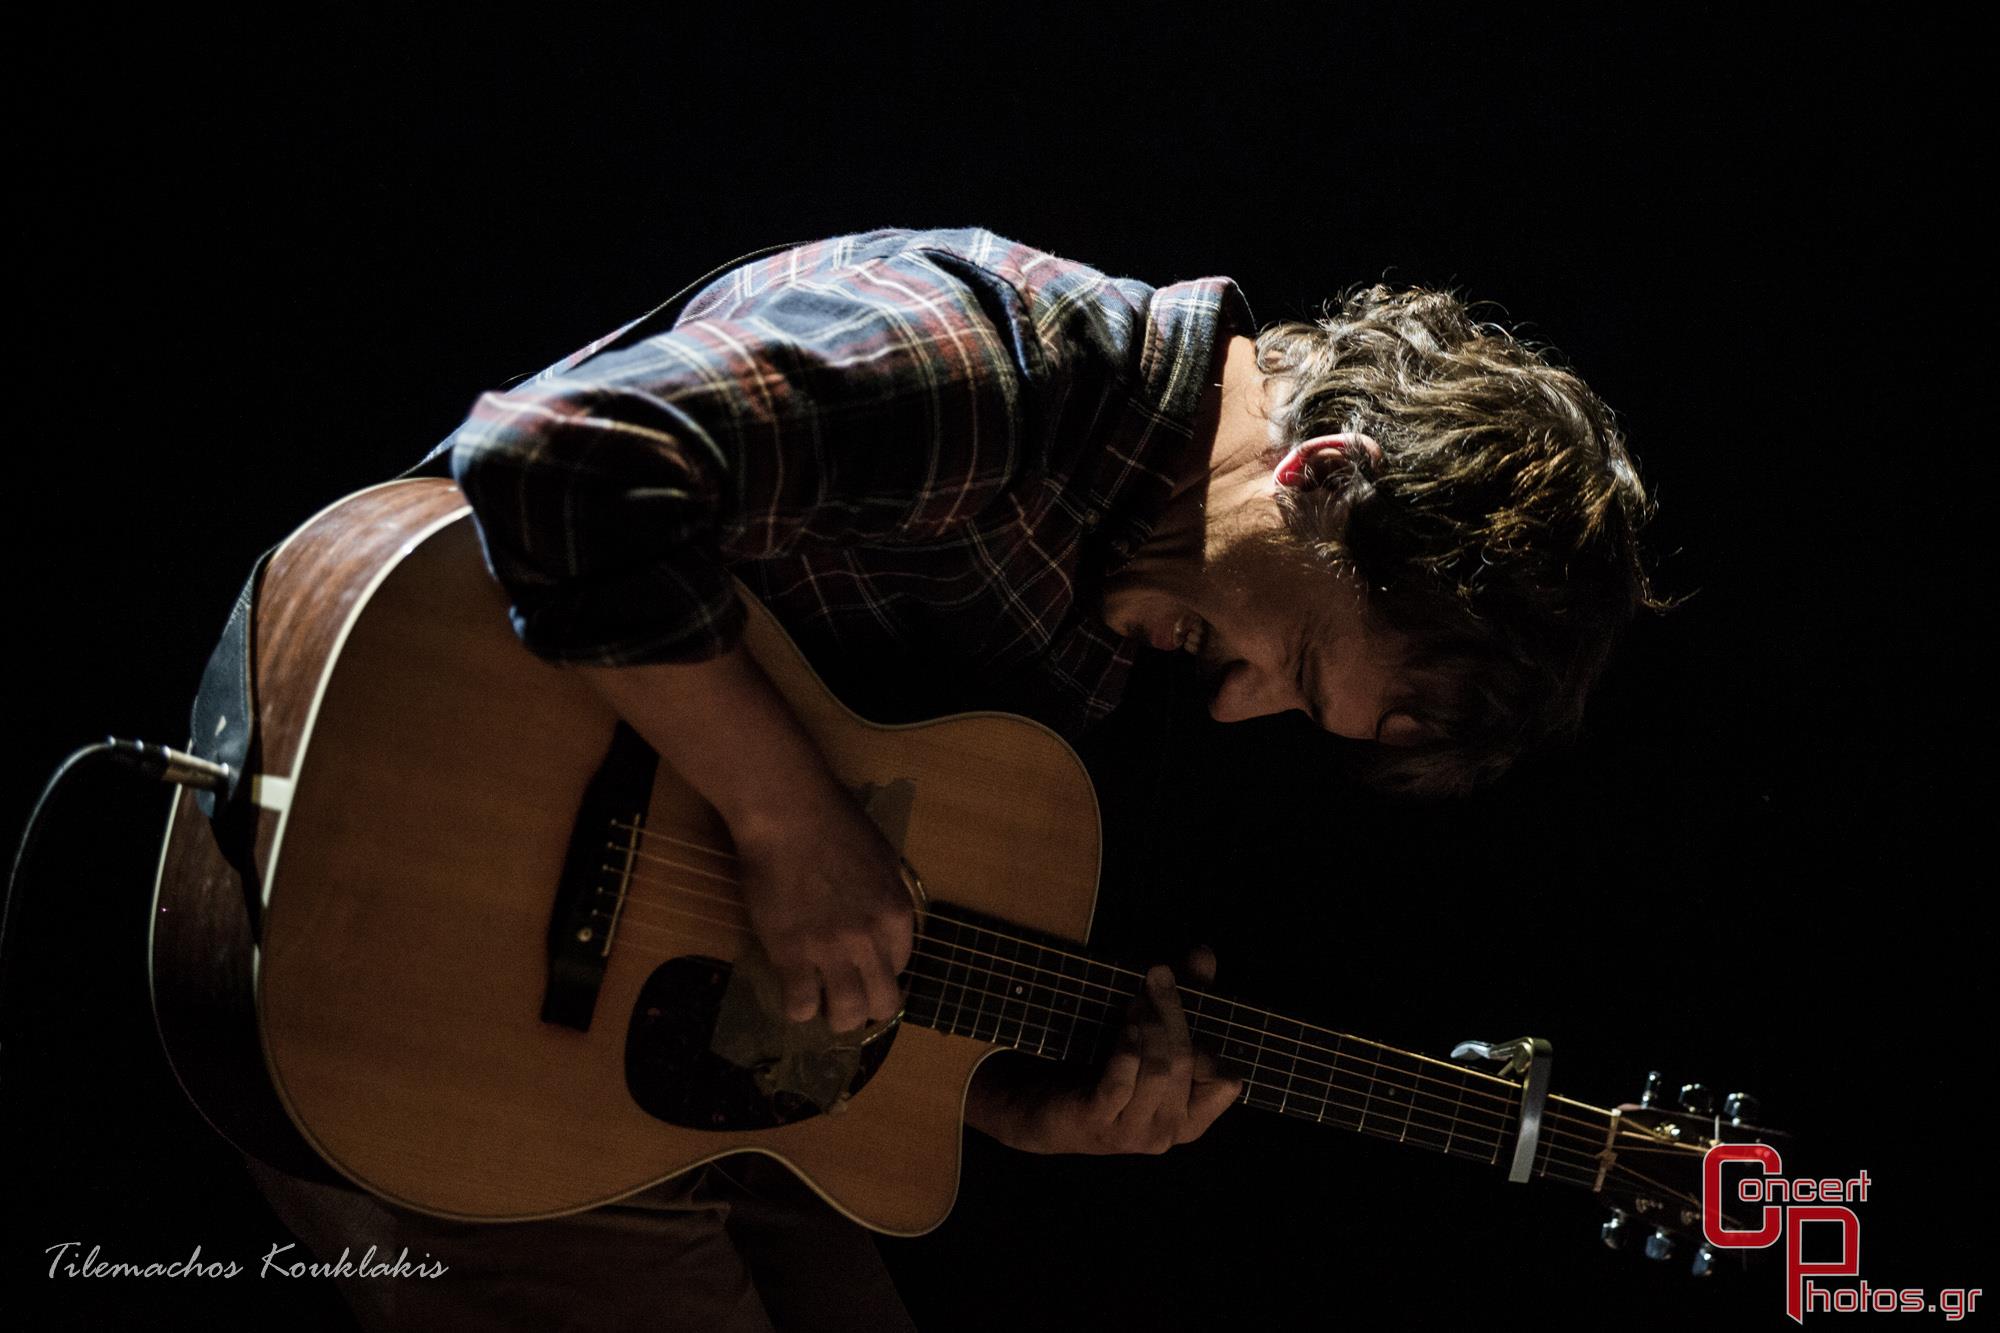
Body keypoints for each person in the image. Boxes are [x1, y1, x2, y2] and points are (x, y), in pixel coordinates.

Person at [246, 225, 1659, 1330]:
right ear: (1322, 474)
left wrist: (1006, 1107)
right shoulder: (1001, 367)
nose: (1237, 704)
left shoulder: (1114, 586)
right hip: (406, 928)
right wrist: (788, 818)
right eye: (1291, 655)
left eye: (1292, 703)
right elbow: (553, 464)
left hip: (599, 1072)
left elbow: (779, 944)